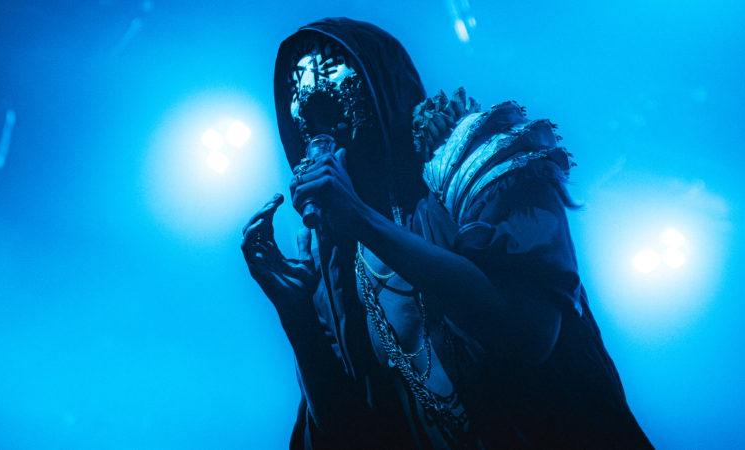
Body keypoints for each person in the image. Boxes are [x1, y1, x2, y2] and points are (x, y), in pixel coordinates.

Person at [242, 17, 652, 449]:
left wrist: (361, 219)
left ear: (381, 81)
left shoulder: (476, 165)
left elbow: (530, 332)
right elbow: (346, 436)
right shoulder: (337, 264)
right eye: (297, 88)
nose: (308, 95)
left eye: (329, 71)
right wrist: (298, 318)